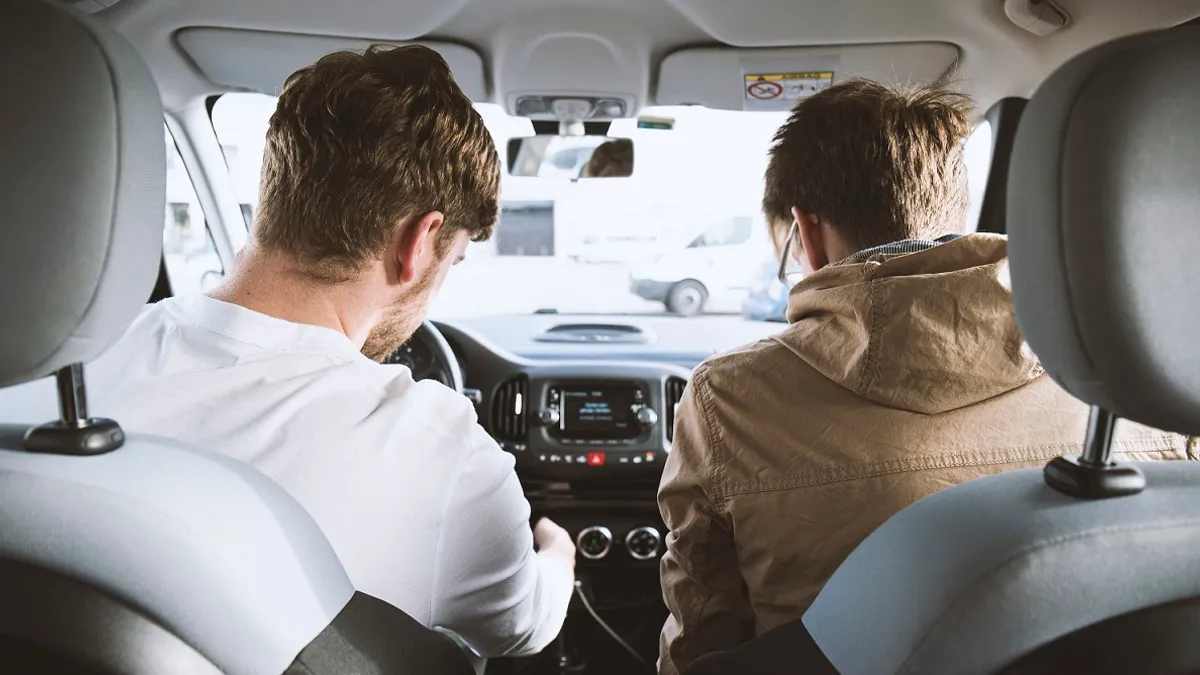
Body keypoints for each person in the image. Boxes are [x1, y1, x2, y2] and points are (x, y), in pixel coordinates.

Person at [7, 45, 575, 658]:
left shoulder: (35, 381)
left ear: (278, 194)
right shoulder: (441, 449)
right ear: (420, 242)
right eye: (452, 262)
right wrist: (558, 553)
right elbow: (520, 629)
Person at [655, 78, 1193, 675]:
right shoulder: (1143, 381)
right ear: (954, 214)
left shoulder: (727, 397)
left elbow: (704, 631)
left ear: (806, 233)